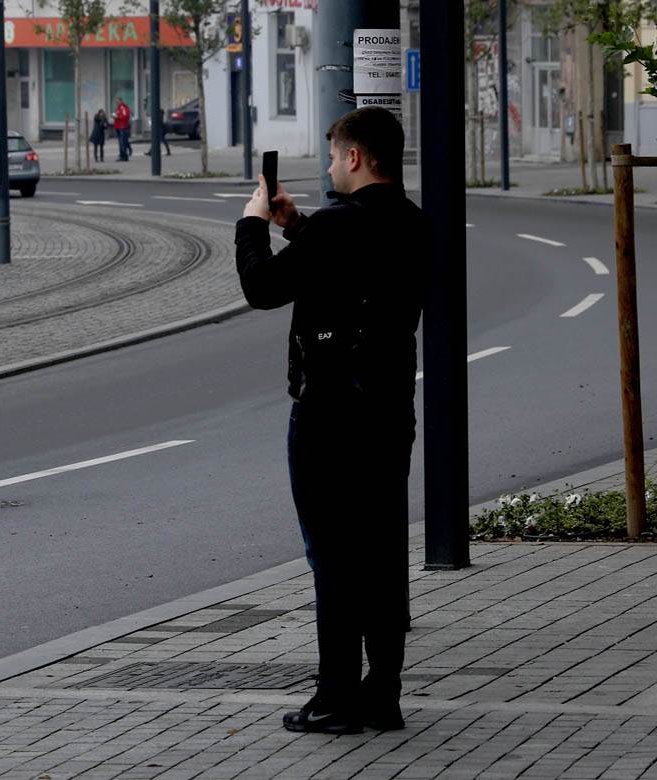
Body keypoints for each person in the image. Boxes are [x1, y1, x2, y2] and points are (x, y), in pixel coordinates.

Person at [234, 107, 424, 735]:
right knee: (383, 548)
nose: (328, 165)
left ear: (354, 156)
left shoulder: (339, 227)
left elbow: (262, 288)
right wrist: (300, 227)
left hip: (330, 415)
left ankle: (336, 694)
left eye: (334, 154)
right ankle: (382, 693)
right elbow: (353, 265)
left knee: (334, 555)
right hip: (390, 411)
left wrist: (254, 224)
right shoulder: (413, 223)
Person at [113, 96, 131, 162]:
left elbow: (125, 116)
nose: (116, 102)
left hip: (122, 127)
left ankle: (124, 156)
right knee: (121, 142)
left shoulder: (123, 107)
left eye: (117, 101)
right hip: (118, 126)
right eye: (115, 101)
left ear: (120, 101)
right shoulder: (118, 108)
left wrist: (117, 117)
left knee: (122, 142)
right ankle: (121, 155)